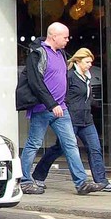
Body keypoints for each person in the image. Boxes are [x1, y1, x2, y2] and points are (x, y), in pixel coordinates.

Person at [17, 23, 103, 195]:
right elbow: (35, 82)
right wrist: (52, 104)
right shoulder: (38, 54)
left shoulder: (61, 53)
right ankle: (25, 181)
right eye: (65, 37)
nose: (67, 40)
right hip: (43, 108)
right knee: (34, 144)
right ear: (53, 36)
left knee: (70, 144)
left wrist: (62, 103)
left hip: (60, 108)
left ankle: (81, 183)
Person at [30, 47, 109, 192]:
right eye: (87, 62)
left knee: (95, 148)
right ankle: (38, 176)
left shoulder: (87, 77)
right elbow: (63, 95)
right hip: (71, 118)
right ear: (78, 61)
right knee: (59, 148)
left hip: (87, 119)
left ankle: (101, 181)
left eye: (91, 62)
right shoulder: (70, 76)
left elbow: (87, 97)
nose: (90, 65)